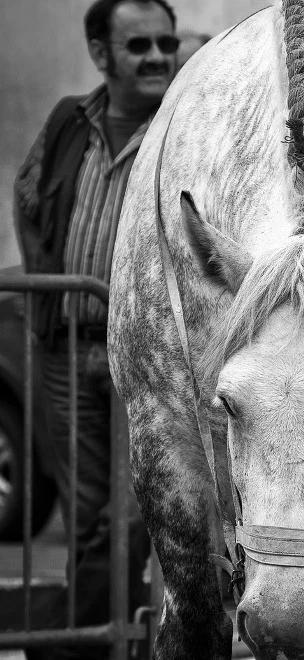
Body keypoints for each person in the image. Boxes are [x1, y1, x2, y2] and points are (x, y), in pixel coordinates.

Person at [12, 0, 177, 656]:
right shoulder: (67, 122)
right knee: (86, 524)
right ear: (101, 54)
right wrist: (47, 293)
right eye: (140, 46)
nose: (159, 58)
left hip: (144, 360)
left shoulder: (182, 126)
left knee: (132, 517)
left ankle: (75, 643)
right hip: (66, 352)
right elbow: (28, 200)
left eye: (166, 44)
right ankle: (104, 642)